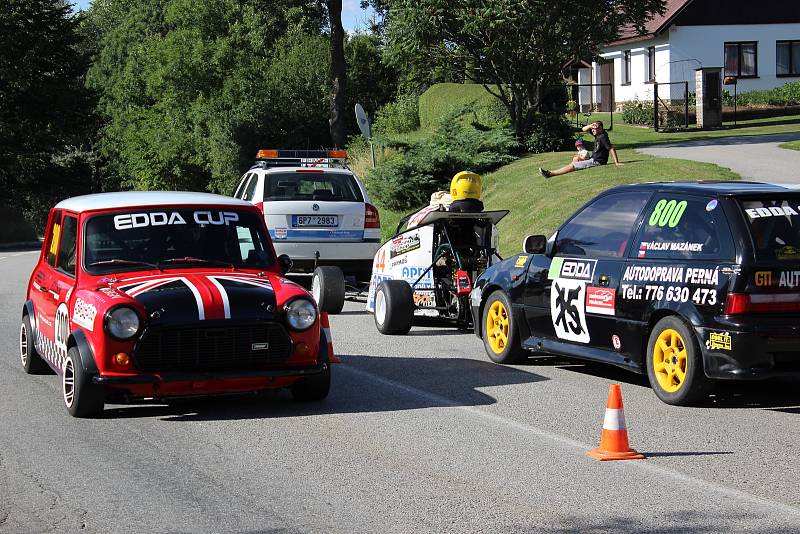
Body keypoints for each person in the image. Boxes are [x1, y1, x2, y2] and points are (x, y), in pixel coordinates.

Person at [539, 121, 621, 178]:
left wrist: (616, 163)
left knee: (573, 165)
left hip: (597, 162)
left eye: (594, 128)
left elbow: (611, 148)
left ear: (600, 129)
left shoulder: (603, 137)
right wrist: (591, 125)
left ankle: (550, 173)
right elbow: (583, 129)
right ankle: (570, 167)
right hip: (593, 159)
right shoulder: (598, 134)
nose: (592, 130)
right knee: (576, 158)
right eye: (592, 129)